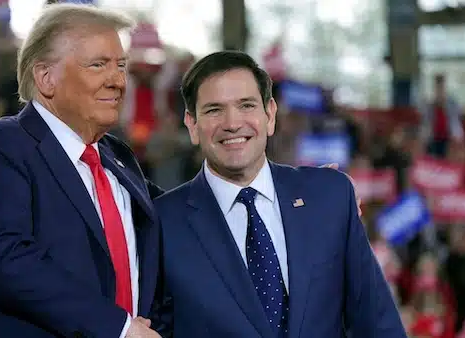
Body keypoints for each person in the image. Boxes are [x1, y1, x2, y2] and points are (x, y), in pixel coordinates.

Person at [0, 4, 162, 338]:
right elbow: (5, 260)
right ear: (45, 77)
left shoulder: (119, 159)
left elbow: (172, 232)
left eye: (121, 66)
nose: (117, 81)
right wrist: (120, 328)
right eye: (98, 65)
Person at [152, 51, 406, 337]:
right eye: (214, 110)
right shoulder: (162, 222)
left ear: (270, 115)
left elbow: (378, 324)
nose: (233, 123)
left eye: (246, 105)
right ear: (192, 124)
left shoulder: (331, 197)